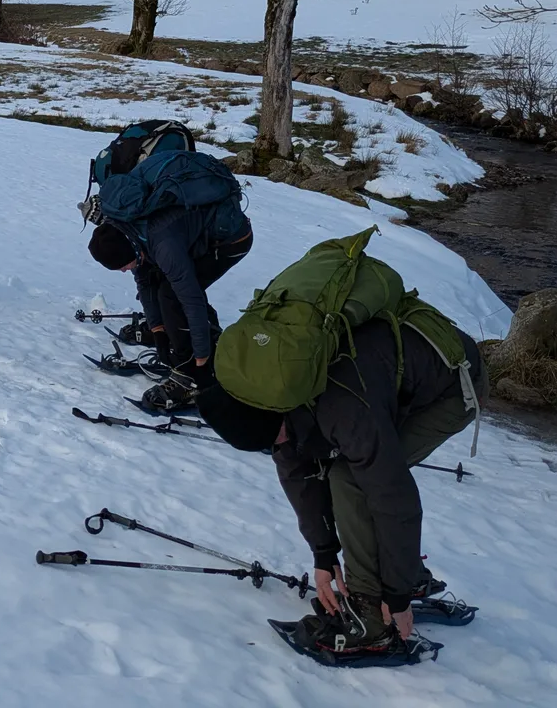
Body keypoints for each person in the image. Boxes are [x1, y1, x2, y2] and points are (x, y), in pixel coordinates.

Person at [196, 273, 485, 660]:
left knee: (351, 476)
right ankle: (401, 574)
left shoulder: (341, 404)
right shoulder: (278, 389)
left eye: (273, 441)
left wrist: (396, 596)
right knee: (339, 463)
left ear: (276, 416)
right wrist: (323, 554)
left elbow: (393, 495)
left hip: (454, 383)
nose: (277, 449)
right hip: (388, 376)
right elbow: (295, 468)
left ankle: (371, 617)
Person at [86, 194, 252, 410]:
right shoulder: (129, 235)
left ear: (130, 252)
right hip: (190, 235)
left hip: (231, 239)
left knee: (172, 294)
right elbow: (145, 282)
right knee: (158, 279)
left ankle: (193, 373)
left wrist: (201, 356)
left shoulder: (162, 246)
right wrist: (158, 330)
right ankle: (191, 341)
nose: (124, 270)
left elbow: (191, 300)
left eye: (123, 266)